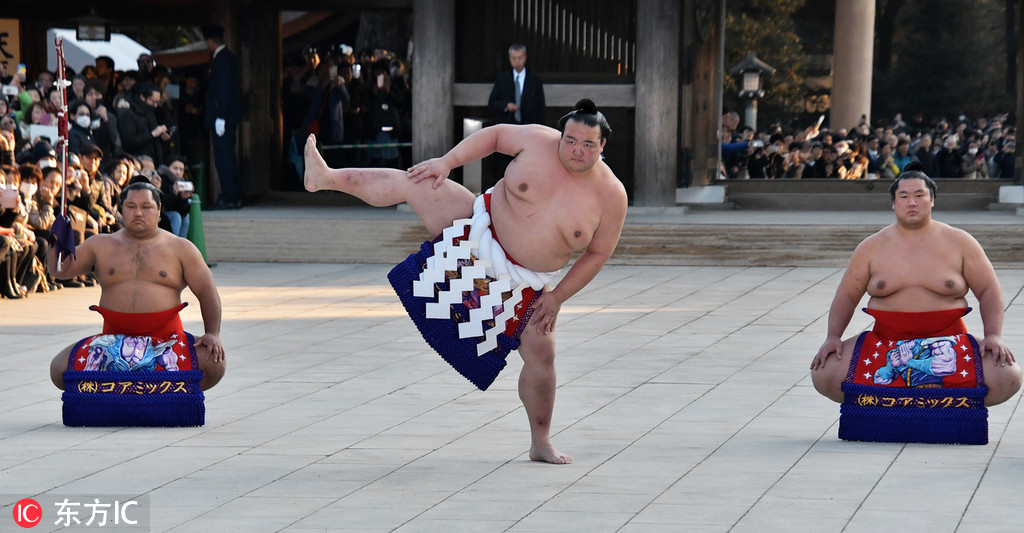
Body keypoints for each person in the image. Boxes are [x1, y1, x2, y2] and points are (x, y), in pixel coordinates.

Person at [304, 99, 627, 464]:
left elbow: (598, 253)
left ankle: (541, 441)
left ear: (602, 146)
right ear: (562, 134)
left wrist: (559, 297)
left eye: (587, 144)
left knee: (542, 356)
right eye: (570, 140)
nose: (576, 150)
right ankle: (325, 177)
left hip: (523, 283)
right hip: (476, 228)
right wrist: (447, 163)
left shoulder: (611, 196)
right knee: (418, 181)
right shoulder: (538, 140)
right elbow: (492, 137)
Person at [810, 169, 1021, 407]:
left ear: (932, 199)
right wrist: (832, 337)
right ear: (893, 203)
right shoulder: (871, 247)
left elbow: (989, 290)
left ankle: (939, 408)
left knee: (1007, 376)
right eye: (903, 196)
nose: (912, 202)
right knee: (825, 373)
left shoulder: (961, 242)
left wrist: (993, 335)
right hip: (886, 344)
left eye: (920, 195)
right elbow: (847, 297)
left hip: (947, 345)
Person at [47, 181, 225, 391]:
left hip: (166, 341)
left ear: (159, 210)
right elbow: (60, 270)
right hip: (111, 342)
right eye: (131, 207)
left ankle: (150, 392)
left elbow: (207, 292)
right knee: (59, 369)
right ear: (121, 210)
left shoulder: (181, 248)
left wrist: (212, 333)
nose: (138, 213)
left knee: (213, 362)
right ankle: (134, 393)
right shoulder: (101, 245)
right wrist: (57, 238)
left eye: (146, 207)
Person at [488, 44, 546, 184]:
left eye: (520, 58)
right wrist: (506, 106)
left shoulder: (534, 81)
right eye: (514, 58)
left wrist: (540, 132)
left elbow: (540, 108)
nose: (517, 61)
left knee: (526, 164)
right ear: (509, 59)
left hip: (528, 128)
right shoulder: (503, 79)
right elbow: (492, 102)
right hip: (508, 128)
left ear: (525, 58)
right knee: (504, 165)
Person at [203, 25, 241, 210]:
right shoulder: (227, 57)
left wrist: (221, 116)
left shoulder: (222, 59)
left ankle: (230, 196)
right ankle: (232, 196)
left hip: (223, 117)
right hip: (224, 116)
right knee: (227, 156)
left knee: (224, 157)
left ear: (210, 41)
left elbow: (223, 90)